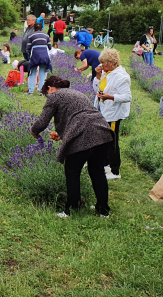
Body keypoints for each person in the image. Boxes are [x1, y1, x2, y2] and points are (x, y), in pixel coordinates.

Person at [30, 76, 115, 218]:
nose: (47, 96)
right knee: (97, 172)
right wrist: (62, 134)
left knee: (72, 171)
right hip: (101, 132)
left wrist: (34, 131)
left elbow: (42, 121)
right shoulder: (77, 93)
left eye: (46, 93)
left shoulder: (54, 96)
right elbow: (78, 116)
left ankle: (72, 209)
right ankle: (103, 210)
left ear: (50, 88)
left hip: (82, 135)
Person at [93, 48, 132, 181]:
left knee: (112, 141)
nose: (101, 66)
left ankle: (115, 170)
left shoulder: (121, 76)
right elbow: (97, 89)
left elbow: (127, 96)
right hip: (104, 110)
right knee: (104, 139)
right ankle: (105, 164)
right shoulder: (107, 73)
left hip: (113, 114)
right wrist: (98, 76)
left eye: (103, 63)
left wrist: (110, 97)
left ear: (111, 62)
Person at [26, 23, 52, 95]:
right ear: (42, 29)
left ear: (34, 29)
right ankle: (42, 92)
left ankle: (31, 91)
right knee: (42, 74)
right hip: (44, 57)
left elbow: (28, 48)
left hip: (35, 56)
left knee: (32, 73)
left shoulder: (31, 36)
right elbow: (50, 47)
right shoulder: (46, 35)